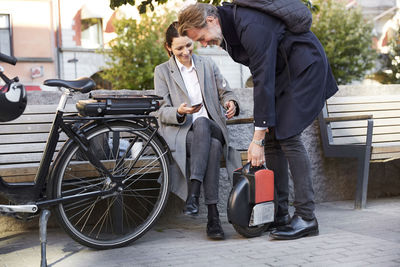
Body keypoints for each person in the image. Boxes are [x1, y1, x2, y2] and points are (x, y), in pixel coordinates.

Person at [178, 3, 338, 240]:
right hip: (282, 73)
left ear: (211, 20)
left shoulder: (249, 25)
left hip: (305, 69)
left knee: (289, 136)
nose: (202, 44)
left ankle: (306, 217)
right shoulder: (229, 31)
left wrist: (256, 137)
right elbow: (261, 72)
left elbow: (262, 77)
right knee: (274, 138)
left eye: (201, 38)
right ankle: (280, 213)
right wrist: (264, 133)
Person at [154, 22, 241, 240]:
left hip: (213, 127)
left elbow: (226, 91)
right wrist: (179, 112)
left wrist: (231, 102)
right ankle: (213, 217)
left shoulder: (207, 64)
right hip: (186, 134)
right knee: (210, 146)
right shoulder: (163, 72)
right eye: (179, 49)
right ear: (168, 48)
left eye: (188, 46)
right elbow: (161, 111)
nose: (185, 52)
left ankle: (193, 193)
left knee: (203, 123)